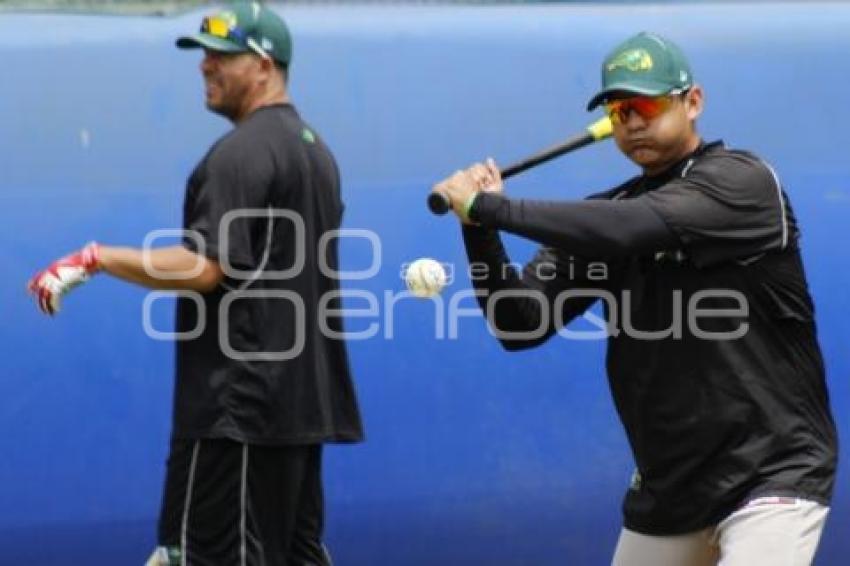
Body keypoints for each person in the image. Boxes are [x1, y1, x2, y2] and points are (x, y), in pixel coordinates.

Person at [431, 32, 837, 566]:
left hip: (772, 475)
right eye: (620, 111)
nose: (633, 122)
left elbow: (631, 229)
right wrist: (476, 228)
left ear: (693, 103)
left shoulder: (741, 182)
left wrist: (489, 208)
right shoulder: (611, 214)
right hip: (670, 490)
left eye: (647, 104)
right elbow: (519, 324)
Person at [27, 3, 363, 564]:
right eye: (204, 55)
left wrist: (97, 258)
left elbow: (207, 266)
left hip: (238, 414)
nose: (206, 66)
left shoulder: (241, 153)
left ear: (264, 64)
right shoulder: (315, 151)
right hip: (297, 413)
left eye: (222, 55)